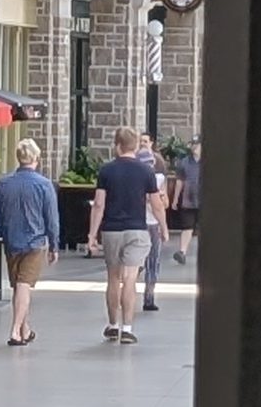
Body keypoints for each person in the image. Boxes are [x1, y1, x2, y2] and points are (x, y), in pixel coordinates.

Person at [0, 137, 61, 347]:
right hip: (35, 242)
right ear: (36, 157)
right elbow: (51, 218)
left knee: (19, 286)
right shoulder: (44, 185)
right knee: (24, 286)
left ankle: (25, 328)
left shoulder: (4, 184)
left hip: (11, 241)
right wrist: (54, 244)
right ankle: (16, 331)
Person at [86, 126, 161, 342]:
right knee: (130, 279)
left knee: (113, 278)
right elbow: (155, 204)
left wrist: (92, 234)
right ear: (136, 146)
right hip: (137, 229)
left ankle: (112, 324)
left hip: (111, 230)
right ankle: (127, 328)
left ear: (117, 146)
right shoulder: (146, 171)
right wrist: (163, 227)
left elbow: (99, 204)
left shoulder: (106, 171)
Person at [135, 133, 171, 312]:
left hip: (150, 223)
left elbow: (164, 204)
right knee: (141, 262)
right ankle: (132, 291)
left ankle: (149, 296)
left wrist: (161, 198)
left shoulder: (160, 179)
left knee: (152, 262)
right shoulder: (135, 180)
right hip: (142, 223)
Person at [171, 139, 201, 265]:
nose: (194, 147)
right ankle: (182, 252)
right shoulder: (184, 162)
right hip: (188, 199)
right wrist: (175, 199)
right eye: (193, 144)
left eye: (197, 144)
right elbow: (179, 181)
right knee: (187, 227)